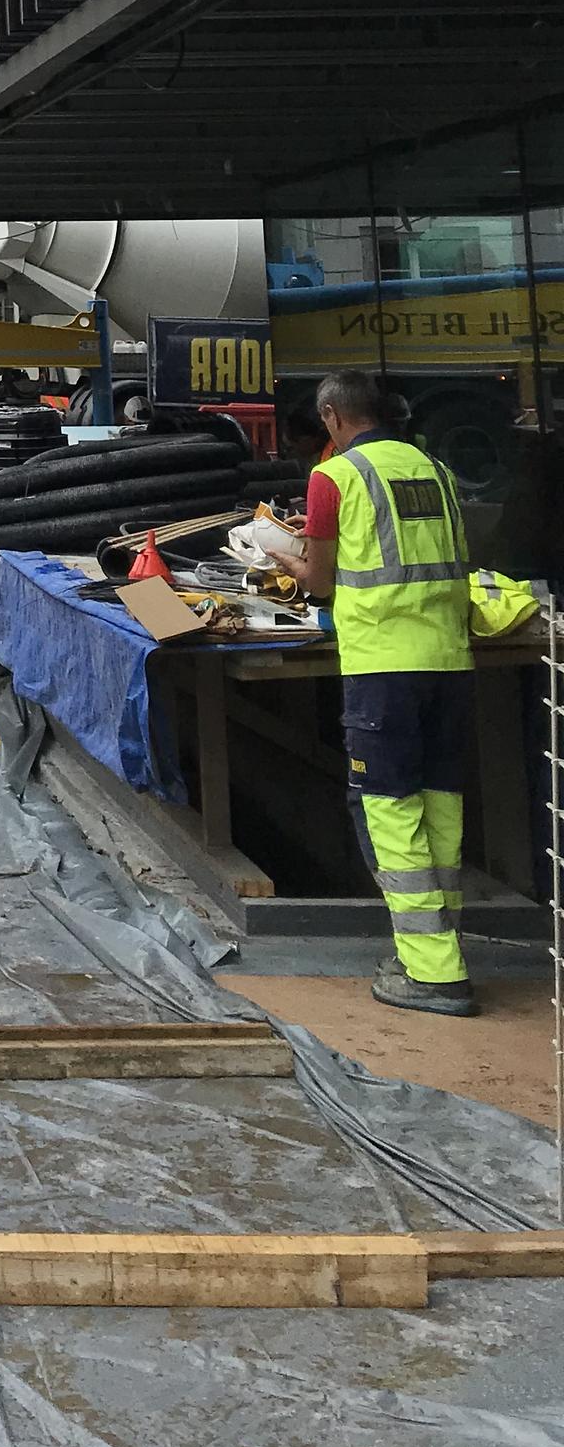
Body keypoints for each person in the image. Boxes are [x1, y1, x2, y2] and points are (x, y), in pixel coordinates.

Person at [280, 370, 476, 1017]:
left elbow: (321, 580)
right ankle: (438, 949)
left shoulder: (333, 478)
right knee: (440, 803)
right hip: (449, 661)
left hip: (382, 670)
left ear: (332, 417)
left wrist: (283, 551)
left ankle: (433, 972)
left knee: (387, 809)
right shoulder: (437, 471)